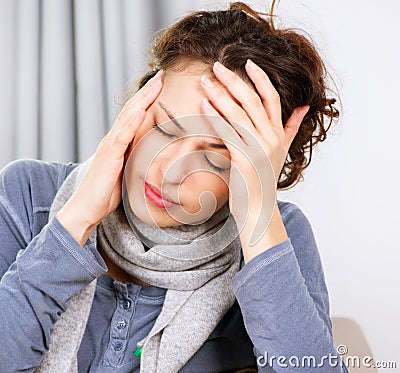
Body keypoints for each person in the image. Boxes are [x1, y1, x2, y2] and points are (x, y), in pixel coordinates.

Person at [0, 1, 348, 372]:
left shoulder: (278, 235)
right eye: (163, 127)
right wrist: (76, 221)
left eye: (215, 157)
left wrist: (259, 221)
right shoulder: (28, 194)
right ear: (138, 103)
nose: (166, 169)